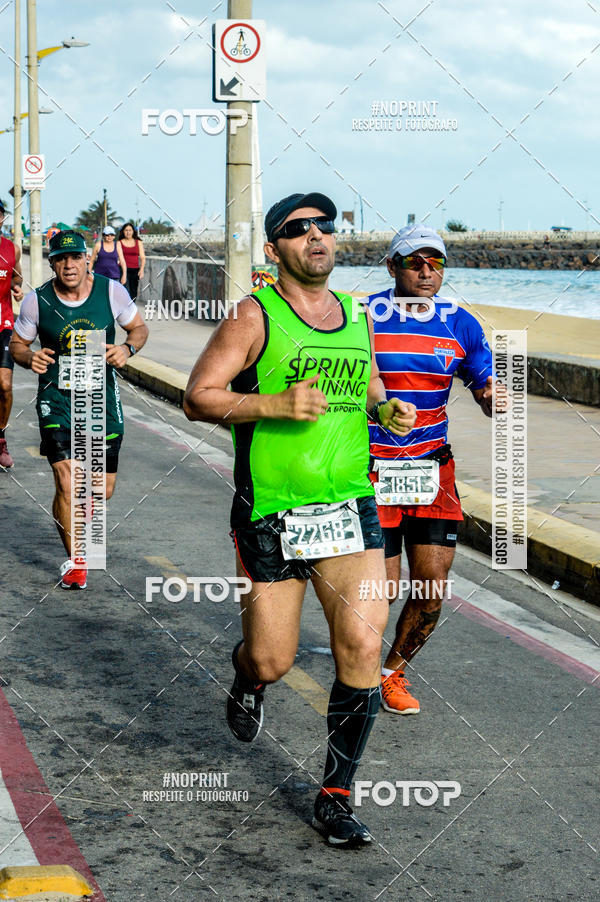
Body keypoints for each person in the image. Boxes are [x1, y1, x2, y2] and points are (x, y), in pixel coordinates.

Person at [184, 192, 416, 847]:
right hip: (273, 515)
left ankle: (336, 797)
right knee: (273, 658)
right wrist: (275, 403)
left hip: (349, 506)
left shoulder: (354, 313)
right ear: (274, 248)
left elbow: (363, 383)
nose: (316, 237)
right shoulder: (254, 317)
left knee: (364, 646)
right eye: (297, 229)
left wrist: (384, 408)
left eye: (325, 227)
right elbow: (197, 398)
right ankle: (246, 674)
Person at [367, 224, 504, 715]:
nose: (427, 271)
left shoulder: (460, 322)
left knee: (430, 592)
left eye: (436, 263)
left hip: (432, 471)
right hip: (372, 471)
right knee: (376, 592)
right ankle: (358, 670)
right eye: (414, 262)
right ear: (392, 266)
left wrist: (491, 397)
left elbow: (483, 381)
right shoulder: (365, 317)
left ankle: (390, 674)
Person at [10, 230, 148, 588]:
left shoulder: (111, 291)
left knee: (101, 489)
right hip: (57, 399)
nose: (69, 265)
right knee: (68, 480)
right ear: (52, 262)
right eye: (61, 259)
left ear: (87, 258)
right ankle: (77, 561)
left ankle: (83, 524)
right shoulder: (36, 301)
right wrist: (29, 357)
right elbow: (18, 345)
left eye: (75, 258)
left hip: (101, 399)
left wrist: (128, 349)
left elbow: (138, 329)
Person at [0, 200, 24, 469]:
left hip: (3, 323)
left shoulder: (12, 248)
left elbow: (16, 278)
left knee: (5, 387)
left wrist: (16, 288)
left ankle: (1, 438)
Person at [117, 222, 145, 300]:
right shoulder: (119, 243)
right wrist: (124, 275)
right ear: (123, 231)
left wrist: (142, 270)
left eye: (130, 230)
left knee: (133, 293)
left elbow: (142, 257)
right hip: (123, 269)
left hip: (135, 270)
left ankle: (131, 309)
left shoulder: (138, 242)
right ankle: (126, 310)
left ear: (133, 231)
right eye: (126, 230)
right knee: (125, 291)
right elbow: (121, 259)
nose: (128, 232)